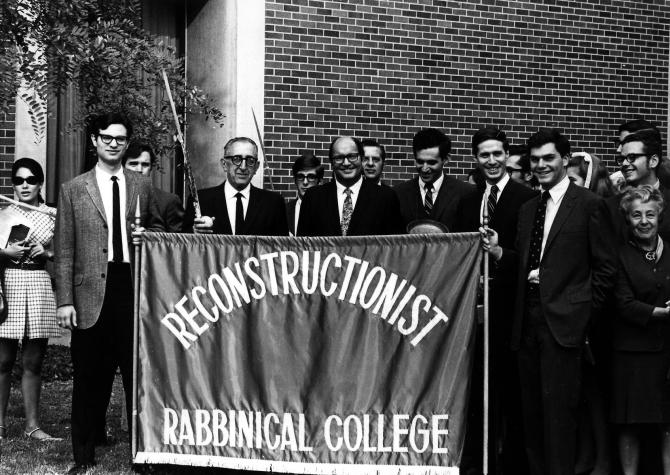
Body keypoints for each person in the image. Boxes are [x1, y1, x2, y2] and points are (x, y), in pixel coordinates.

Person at [484, 128, 616, 475]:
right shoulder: (529, 208)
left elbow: (605, 269)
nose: (541, 165)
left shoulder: (589, 205)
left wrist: (583, 317)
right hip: (525, 322)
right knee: (531, 418)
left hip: (564, 325)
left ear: (565, 159)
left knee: (559, 417)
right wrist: (499, 251)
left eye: (549, 158)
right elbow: (524, 264)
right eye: (536, 160)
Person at [54, 112, 161, 474]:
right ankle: (83, 456)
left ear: (127, 143)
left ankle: (143, 455)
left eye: (120, 138)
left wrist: (148, 239)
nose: (113, 143)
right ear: (94, 142)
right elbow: (64, 249)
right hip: (90, 294)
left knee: (137, 377)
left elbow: (160, 236)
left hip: (132, 287)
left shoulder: (142, 186)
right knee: (88, 378)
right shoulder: (73, 189)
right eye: (107, 137)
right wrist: (65, 301)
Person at [459, 127, 536, 475]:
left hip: (510, 308)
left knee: (511, 393)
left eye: (497, 154)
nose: (491, 161)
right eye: (484, 154)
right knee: (477, 392)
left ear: (507, 155)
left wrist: (501, 251)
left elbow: (533, 257)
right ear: (475, 159)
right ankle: (478, 462)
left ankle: (513, 465)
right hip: (473, 311)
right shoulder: (466, 200)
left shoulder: (527, 199)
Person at [0, 158, 61, 442]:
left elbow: (67, 254)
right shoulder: (3, 214)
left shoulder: (53, 215)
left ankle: (32, 425)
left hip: (37, 282)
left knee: (33, 361)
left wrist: (46, 253)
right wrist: (5, 253)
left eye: (31, 180)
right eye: (19, 181)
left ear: (40, 183)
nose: (25, 186)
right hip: (9, 283)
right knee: (2, 359)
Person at [612, 186, 670, 475]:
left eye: (650, 214)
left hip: (666, 352)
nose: (644, 221)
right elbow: (622, 303)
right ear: (628, 219)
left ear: (659, 215)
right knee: (629, 424)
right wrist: (660, 313)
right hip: (632, 354)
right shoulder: (619, 255)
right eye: (637, 215)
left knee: (668, 424)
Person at [297, 136, 403, 236]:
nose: (346, 163)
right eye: (339, 158)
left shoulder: (385, 198)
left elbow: (395, 248)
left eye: (352, 156)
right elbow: (302, 247)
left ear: (361, 158)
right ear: (331, 163)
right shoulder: (313, 197)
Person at [182, 137, 288, 236]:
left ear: (256, 167)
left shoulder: (274, 203)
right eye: (236, 159)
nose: (243, 167)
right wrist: (194, 232)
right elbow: (184, 246)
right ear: (224, 164)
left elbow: (281, 248)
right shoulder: (200, 200)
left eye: (250, 160)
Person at [393, 128, 476, 231]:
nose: (424, 168)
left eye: (431, 163)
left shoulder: (466, 193)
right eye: (420, 161)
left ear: (446, 159)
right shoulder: (397, 193)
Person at [607, 130, 670, 243]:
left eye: (632, 157)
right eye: (622, 159)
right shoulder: (609, 207)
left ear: (653, 161)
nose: (625, 164)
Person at [123, 141, 184, 232]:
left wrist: (148, 237)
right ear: (123, 166)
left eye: (145, 165)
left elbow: (177, 242)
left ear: (151, 168)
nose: (139, 170)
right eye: (133, 164)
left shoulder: (169, 201)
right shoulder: (111, 195)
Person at [287, 152, 323, 235]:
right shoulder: (284, 211)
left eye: (311, 177)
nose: (305, 182)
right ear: (295, 180)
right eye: (300, 177)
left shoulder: (328, 209)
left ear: (320, 181)